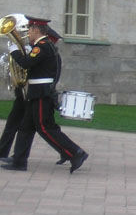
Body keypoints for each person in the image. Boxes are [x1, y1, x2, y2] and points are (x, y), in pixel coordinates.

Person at [2, 16, 88, 173]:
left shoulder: (42, 46)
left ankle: (75, 153)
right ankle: (19, 161)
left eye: (29, 29)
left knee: (45, 127)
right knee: (25, 127)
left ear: (36, 30)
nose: (28, 33)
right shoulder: (42, 46)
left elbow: (26, 63)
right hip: (35, 92)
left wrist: (15, 51)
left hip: (41, 93)